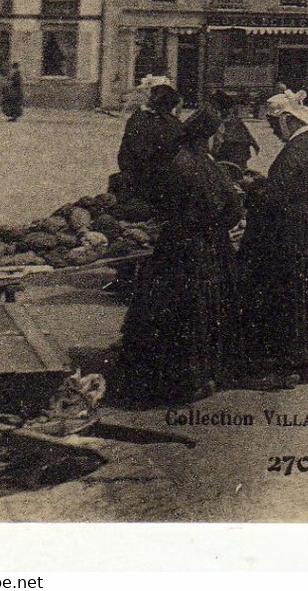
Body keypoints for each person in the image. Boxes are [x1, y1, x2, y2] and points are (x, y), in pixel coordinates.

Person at [116, 107, 244, 404]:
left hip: (174, 246)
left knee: (170, 311)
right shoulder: (204, 166)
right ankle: (197, 378)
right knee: (200, 310)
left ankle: (169, 376)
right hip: (204, 247)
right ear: (208, 137)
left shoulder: (177, 160)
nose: (221, 140)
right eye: (220, 134)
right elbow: (229, 209)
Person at [236, 91, 308, 387]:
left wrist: (253, 189)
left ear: (286, 120)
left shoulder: (297, 147)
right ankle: (301, 361)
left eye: (273, 125)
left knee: (287, 291)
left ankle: (284, 366)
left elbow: (277, 194)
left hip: (294, 226)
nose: (273, 132)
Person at [117, 79, 183, 209]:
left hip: (133, 179)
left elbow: (124, 156)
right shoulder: (175, 125)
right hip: (161, 186)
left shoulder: (138, 118)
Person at [211, 91, 260, 171]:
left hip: (230, 156)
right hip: (238, 155)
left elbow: (217, 144)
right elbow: (247, 135)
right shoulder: (234, 121)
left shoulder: (225, 122)